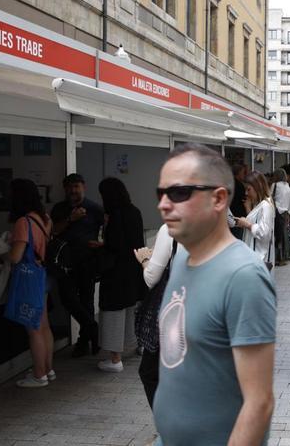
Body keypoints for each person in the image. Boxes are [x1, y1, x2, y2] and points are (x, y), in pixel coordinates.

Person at [154, 143, 276, 445]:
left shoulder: (244, 277)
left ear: (219, 198)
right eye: (161, 193)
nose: (164, 205)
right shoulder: (182, 255)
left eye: (179, 193)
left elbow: (259, 403)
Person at [91, 177, 144, 373]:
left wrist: (101, 245)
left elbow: (114, 245)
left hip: (116, 273)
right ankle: (138, 345)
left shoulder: (115, 215)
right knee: (131, 310)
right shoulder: (135, 211)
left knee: (113, 313)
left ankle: (115, 359)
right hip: (133, 269)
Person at [8, 179, 56, 388]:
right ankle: (47, 369)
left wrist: (3, 253)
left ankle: (39, 375)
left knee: (33, 328)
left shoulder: (23, 222)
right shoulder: (45, 218)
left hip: (28, 278)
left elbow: (16, 257)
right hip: (43, 276)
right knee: (44, 324)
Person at [50, 173, 103, 357]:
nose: (73, 190)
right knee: (68, 299)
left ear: (83, 187)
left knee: (87, 301)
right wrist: (70, 219)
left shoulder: (94, 208)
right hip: (64, 264)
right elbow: (53, 231)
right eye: (70, 187)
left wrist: (102, 244)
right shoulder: (59, 209)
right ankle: (92, 327)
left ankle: (84, 342)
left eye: (76, 186)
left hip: (87, 262)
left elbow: (106, 229)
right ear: (65, 189)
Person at [133, 223, 176, 409]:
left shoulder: (170, 229)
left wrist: (144, 259)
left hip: (174, 313)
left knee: (149, 372)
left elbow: (152, 278)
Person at [236, 171, 276, 270]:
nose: (246, 193)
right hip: (256, 255)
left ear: (257, 187)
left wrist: (247, 224)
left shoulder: (265, 205)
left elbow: (264, 232)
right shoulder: (261, 204)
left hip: (259, 256)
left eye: (248, 189)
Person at [271, 169, 290, 266]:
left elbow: (270, 198)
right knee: (283, 235)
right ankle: (282, 257)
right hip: (284, 213)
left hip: (275, 212)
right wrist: (289, 212)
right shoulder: (287, 185)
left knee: (276, 235)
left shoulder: (274, 185)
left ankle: (275, 258)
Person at [229, 164, 248, 239]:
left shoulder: (229, 183)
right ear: (238, 173)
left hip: (230, 215)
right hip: (238, 216)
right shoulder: (239, 185)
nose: (244, 175)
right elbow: (243, 199)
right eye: (243, 173)